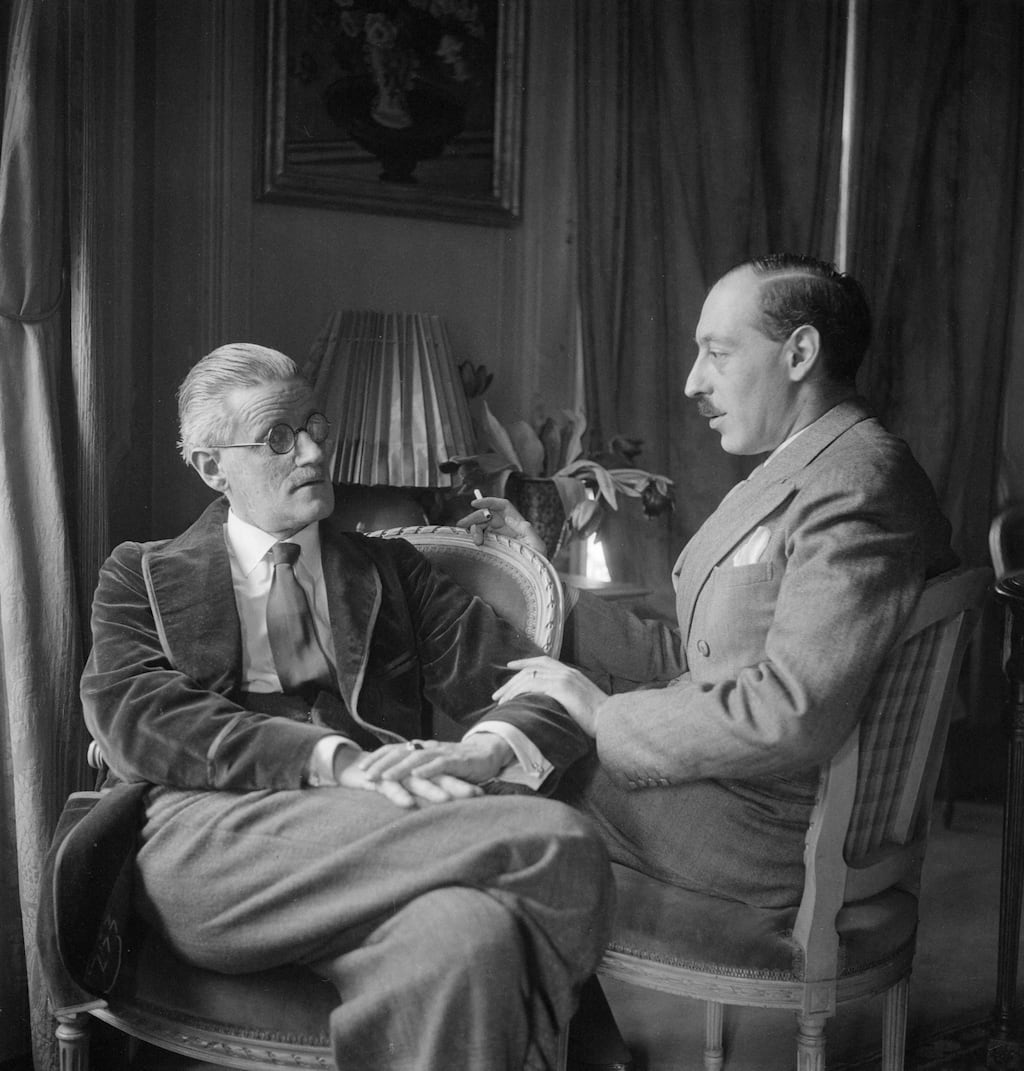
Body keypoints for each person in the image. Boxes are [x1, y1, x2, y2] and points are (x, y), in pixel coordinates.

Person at [79, 343, 614, 1071]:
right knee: (558, 843)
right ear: (212, 467)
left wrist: (482, 750)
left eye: (314, 426)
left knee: (470, 938)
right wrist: (333, 761)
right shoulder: (139, 574)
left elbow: (535, 683)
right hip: (209, 833)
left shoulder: (393, 572)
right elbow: (138, 717)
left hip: (381, 829)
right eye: (277, 436)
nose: (311, 451)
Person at [456, 253, 958, 908]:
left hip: (767, 825)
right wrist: (539, 580)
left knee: (493, 779)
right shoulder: (814, 464)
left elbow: (793, 709)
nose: (694, 382)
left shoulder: (854, 483)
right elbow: (701, 660)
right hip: (749, 792)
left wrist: (603, 714)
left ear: (799, 353)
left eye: (718, 354)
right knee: (511, 729)